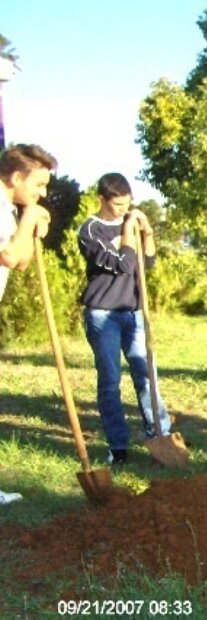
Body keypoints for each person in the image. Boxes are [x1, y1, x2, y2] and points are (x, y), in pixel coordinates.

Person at [77, 173, 172, 465]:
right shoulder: (90, 230)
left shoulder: (130, 222)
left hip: (133, 312)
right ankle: (117, 447)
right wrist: (129, 229)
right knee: (110, 380)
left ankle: (161, 435)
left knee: (146, 375)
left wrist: (148, 232)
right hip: (103, 314)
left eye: (127, 204)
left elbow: (147, 262)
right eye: (118, 204)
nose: (123, 210)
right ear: (102, 199)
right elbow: (123, 264)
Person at [0, 144, 56, 505]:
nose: (43, 193)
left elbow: (19, 262)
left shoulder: (8, 210)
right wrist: (31, 214)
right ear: (17, 177)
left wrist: (32, 224)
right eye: (39, 184)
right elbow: (8, 255)